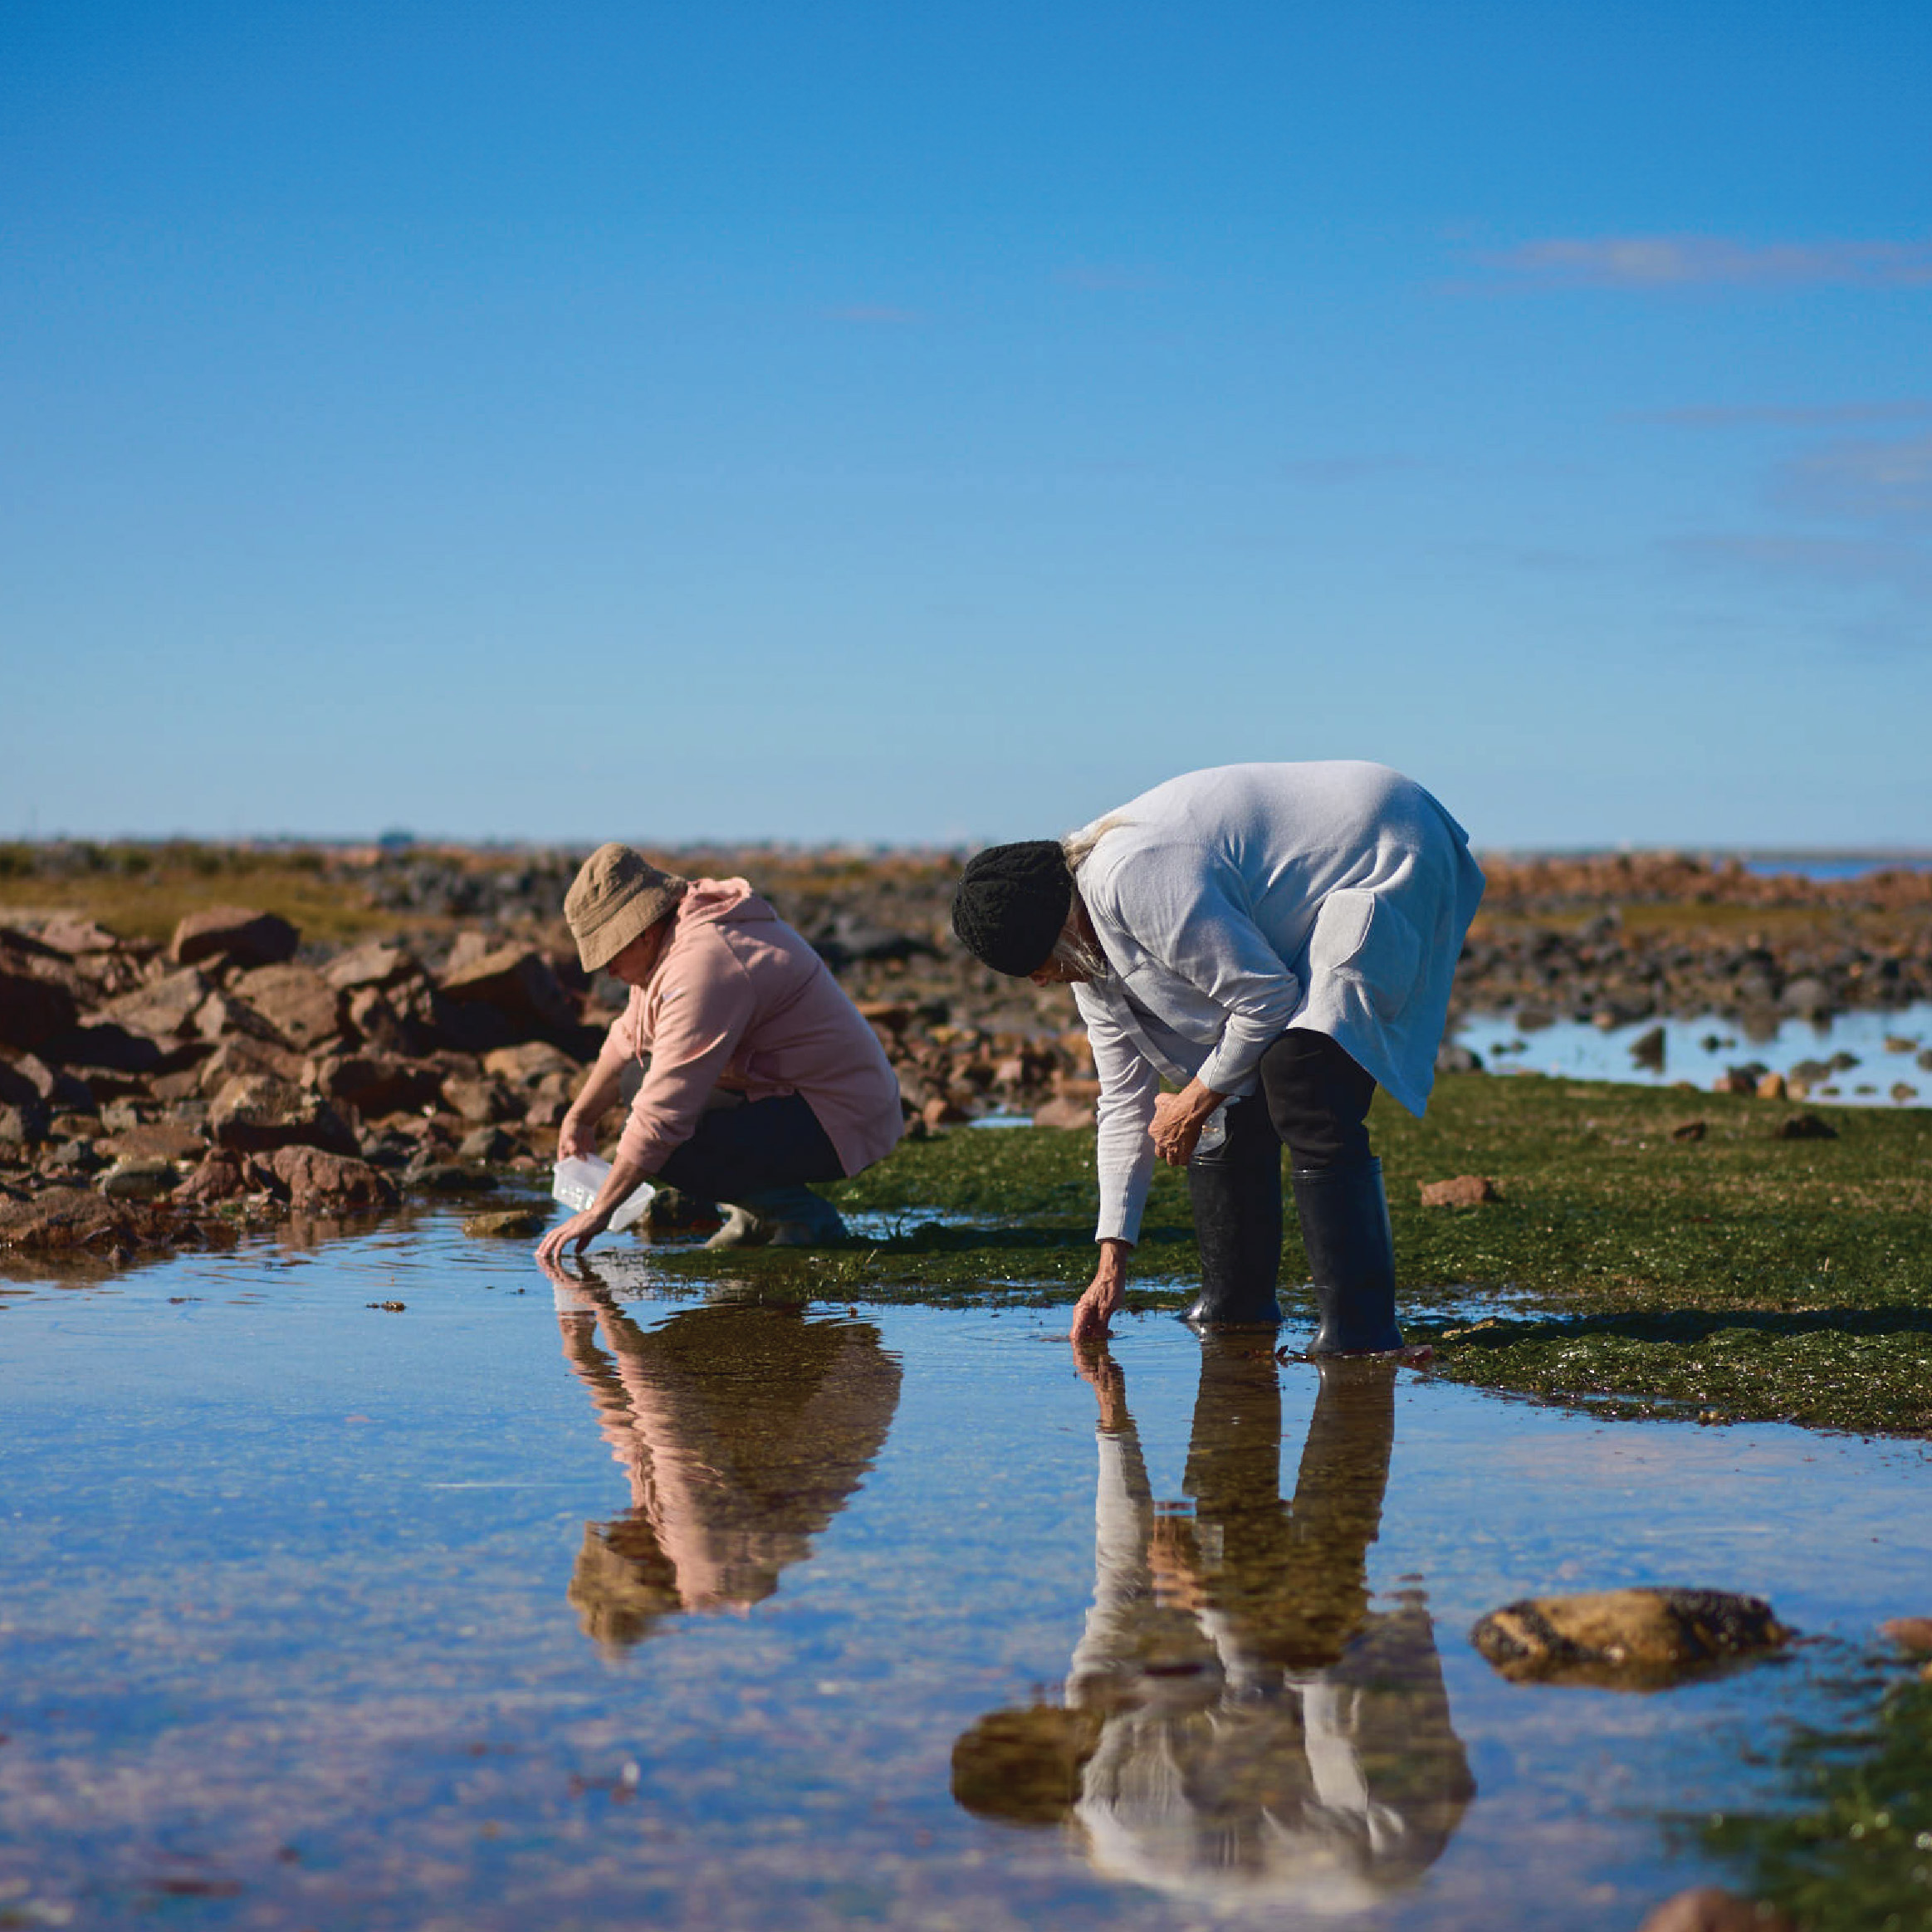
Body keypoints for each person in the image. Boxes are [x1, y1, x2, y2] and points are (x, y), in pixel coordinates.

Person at [949, 761, 1484, 1350]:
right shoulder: (1084, 952)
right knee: (1227, 1090)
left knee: (1302, 1071)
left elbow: (1265, 999)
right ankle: (1235, 1308)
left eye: (1038, 967)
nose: (1041, 984)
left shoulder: (1134, 876)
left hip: (1381, 842)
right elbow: (1123, 1104)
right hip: (1304, 890)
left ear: (1057, 930)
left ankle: (1362, 1331)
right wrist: (1110, 1265)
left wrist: (1192, 1102)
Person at [536, 843, 903, 1261]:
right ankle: (756, 1216)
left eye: (609, 954)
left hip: (844, 1115)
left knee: (666, 1126)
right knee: (636, 1080)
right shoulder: (674, 937)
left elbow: (663, 1115)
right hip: (789, 1094)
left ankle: (801, 1218)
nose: (607, 971)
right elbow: (628, 1036)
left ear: (643, 931)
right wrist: (580, 1114)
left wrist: (600, 1211)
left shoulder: (704, 962)